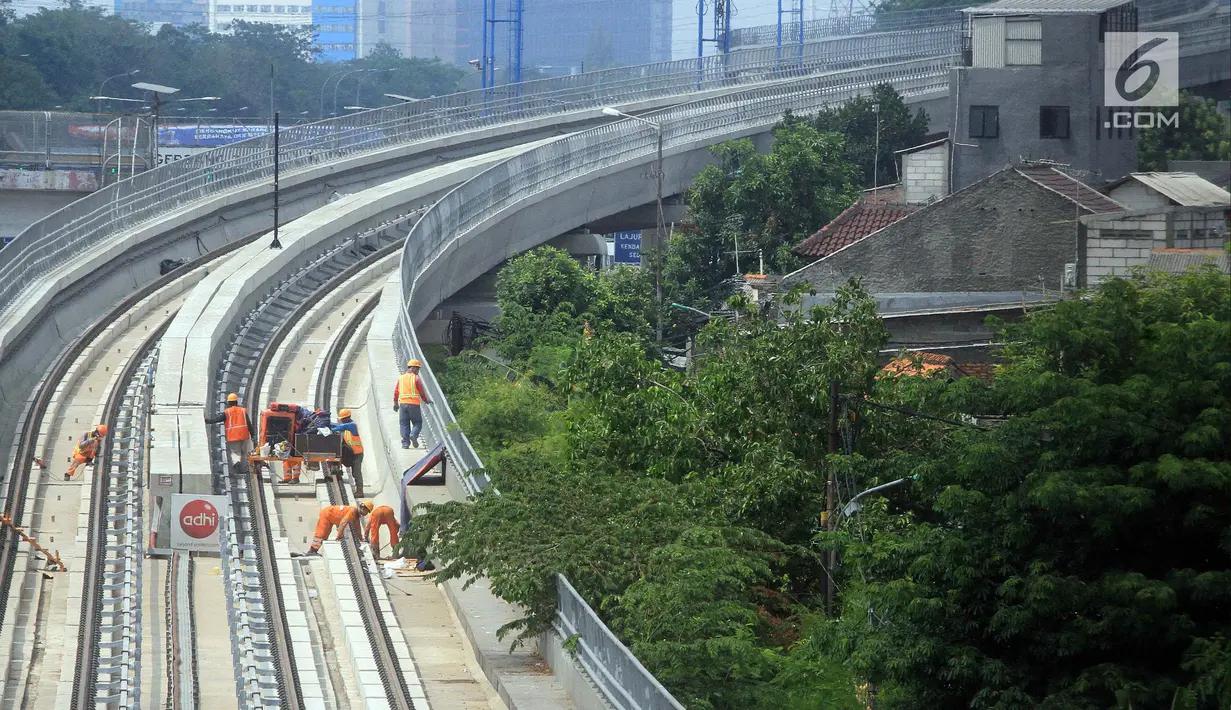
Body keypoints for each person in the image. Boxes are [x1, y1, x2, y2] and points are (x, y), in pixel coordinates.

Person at [205, 393, 254, 470]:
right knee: (242, 450)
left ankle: (237, 464)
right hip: (244, 435)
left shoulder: (227, 412)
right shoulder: (243, 411)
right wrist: (252, 434)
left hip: (233, 436)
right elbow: (249, 423)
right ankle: (244, 465)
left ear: (228, 403)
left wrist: (208, 421)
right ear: (236, 402)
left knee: (235, 452)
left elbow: (218, 419)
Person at [305, 500, 373, 555]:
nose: (367, 514)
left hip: (330, 517)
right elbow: (342, 524)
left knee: (326, 534)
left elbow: (357, 528)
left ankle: (314, 550)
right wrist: (339, 535)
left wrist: (361, 539)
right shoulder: (353, 511)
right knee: (321, 533)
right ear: (364, 508)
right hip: (327, 514)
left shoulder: (356, 515)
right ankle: (312, 550)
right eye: (367, 512)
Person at [393, 359, 433, 449]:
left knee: (404, 424)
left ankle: (405, 443)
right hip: (414, 405)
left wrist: (395, 403)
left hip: (403, 404)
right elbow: (421, 392)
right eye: (417, 369)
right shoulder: (416, 378)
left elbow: (396, 391)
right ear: (413, 368)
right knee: (418, 422)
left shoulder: (401, 378)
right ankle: (414, 435)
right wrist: (426, 400)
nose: (418, 371)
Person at [331, 408, 366, 496]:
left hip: (357, 453)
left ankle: (360, 491)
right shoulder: (347, 427)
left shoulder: (352, 425)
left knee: (356, 472)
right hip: (352, 453)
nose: (342, 421)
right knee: (351, 469)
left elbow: (338, 428)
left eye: (343, 419)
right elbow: (338, 427)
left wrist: (328, 426)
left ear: (348, 417)